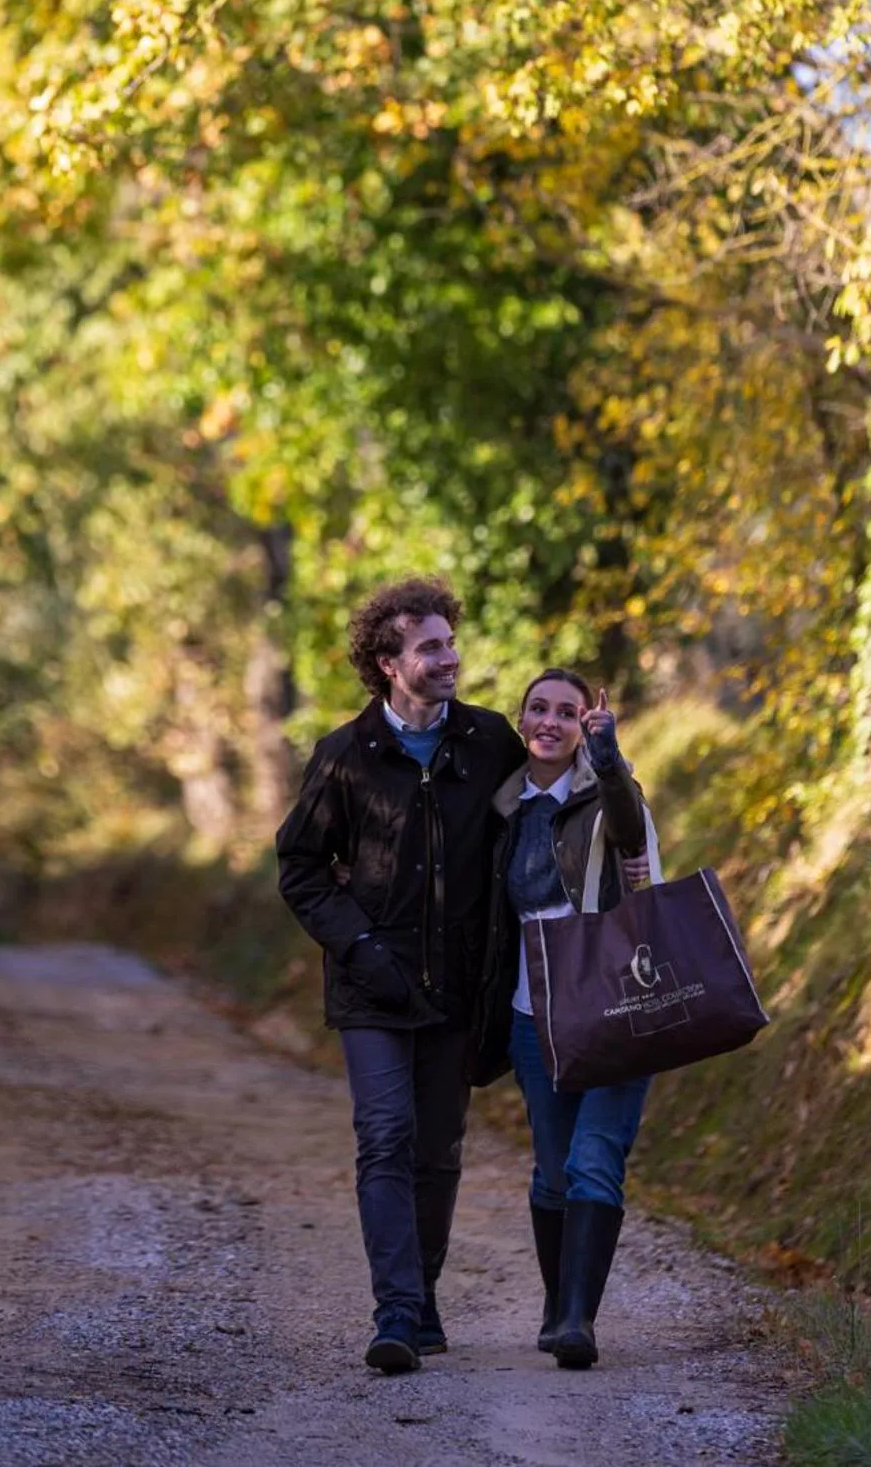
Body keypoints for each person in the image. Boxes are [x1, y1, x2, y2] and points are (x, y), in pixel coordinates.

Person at [275, 577, 526, 1375]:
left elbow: (539, 821)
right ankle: (395, 1312)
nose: (450, 659)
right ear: (388, 663)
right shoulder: (344, 757)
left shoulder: (489, 742)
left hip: (460, 984)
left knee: (438, 1149)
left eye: (451, 644)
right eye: (431, 648)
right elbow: (301, 867)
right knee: (384, 1139)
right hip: (371, 988)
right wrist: (359, 948)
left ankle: (419, 1295)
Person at [472, 667, 660, 1370]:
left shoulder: (610, 798)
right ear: (521, 721)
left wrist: (607, 758)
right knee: (552, 1171)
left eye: (566, 712)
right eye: (537, 708)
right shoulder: (504, 810)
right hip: (533, 1018)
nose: (549, 720)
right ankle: (556, 1307)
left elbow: (628, 826)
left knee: (592, 1161)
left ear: (585, 723)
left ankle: (579, 1320)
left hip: (617, 1012)